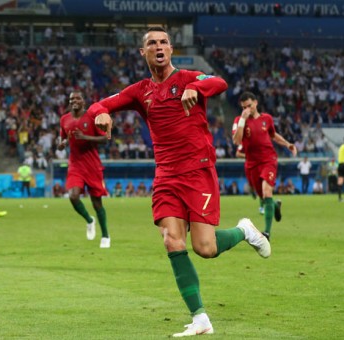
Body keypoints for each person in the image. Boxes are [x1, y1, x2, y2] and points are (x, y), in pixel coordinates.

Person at [91, 27, 270, 337]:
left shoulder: (189, 77)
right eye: (151, 43)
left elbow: (219, 82)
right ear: (143, 53)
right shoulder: (139, 91)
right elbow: (100, 104)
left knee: (205, 247)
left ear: (171, 49)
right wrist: (99, 114)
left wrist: (196, 90)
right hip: (166, 176)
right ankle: (200, 317)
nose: (158, 47)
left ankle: (245, 231)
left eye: (163, 42)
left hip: (198, 170)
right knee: (171, 239)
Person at [232, 91, 296, 240]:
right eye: (243, 107)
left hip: (268, 159)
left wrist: (287, 144)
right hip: (252, 163)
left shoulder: (267, 119)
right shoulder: (239, 120)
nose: (247, 109)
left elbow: (273, 135)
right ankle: (275, 205)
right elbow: (237, 141)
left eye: (249, 106)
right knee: (263, 197)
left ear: (255, 103)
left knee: (267, 192)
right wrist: (242, 119)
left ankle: (266, 233)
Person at [58, 91, 110, 248]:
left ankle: (105, 236)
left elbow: (105, 138)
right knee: (73, 196)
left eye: (77, 98)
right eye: (71, 98)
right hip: (75, 164)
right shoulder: (64, 119)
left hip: (92, 165)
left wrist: (86, 137)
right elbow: (63, 137)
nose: (74, 100)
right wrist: (62, 144)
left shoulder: (92, 117)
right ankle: (89, 220)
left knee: (97, 203)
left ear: (83, 101)